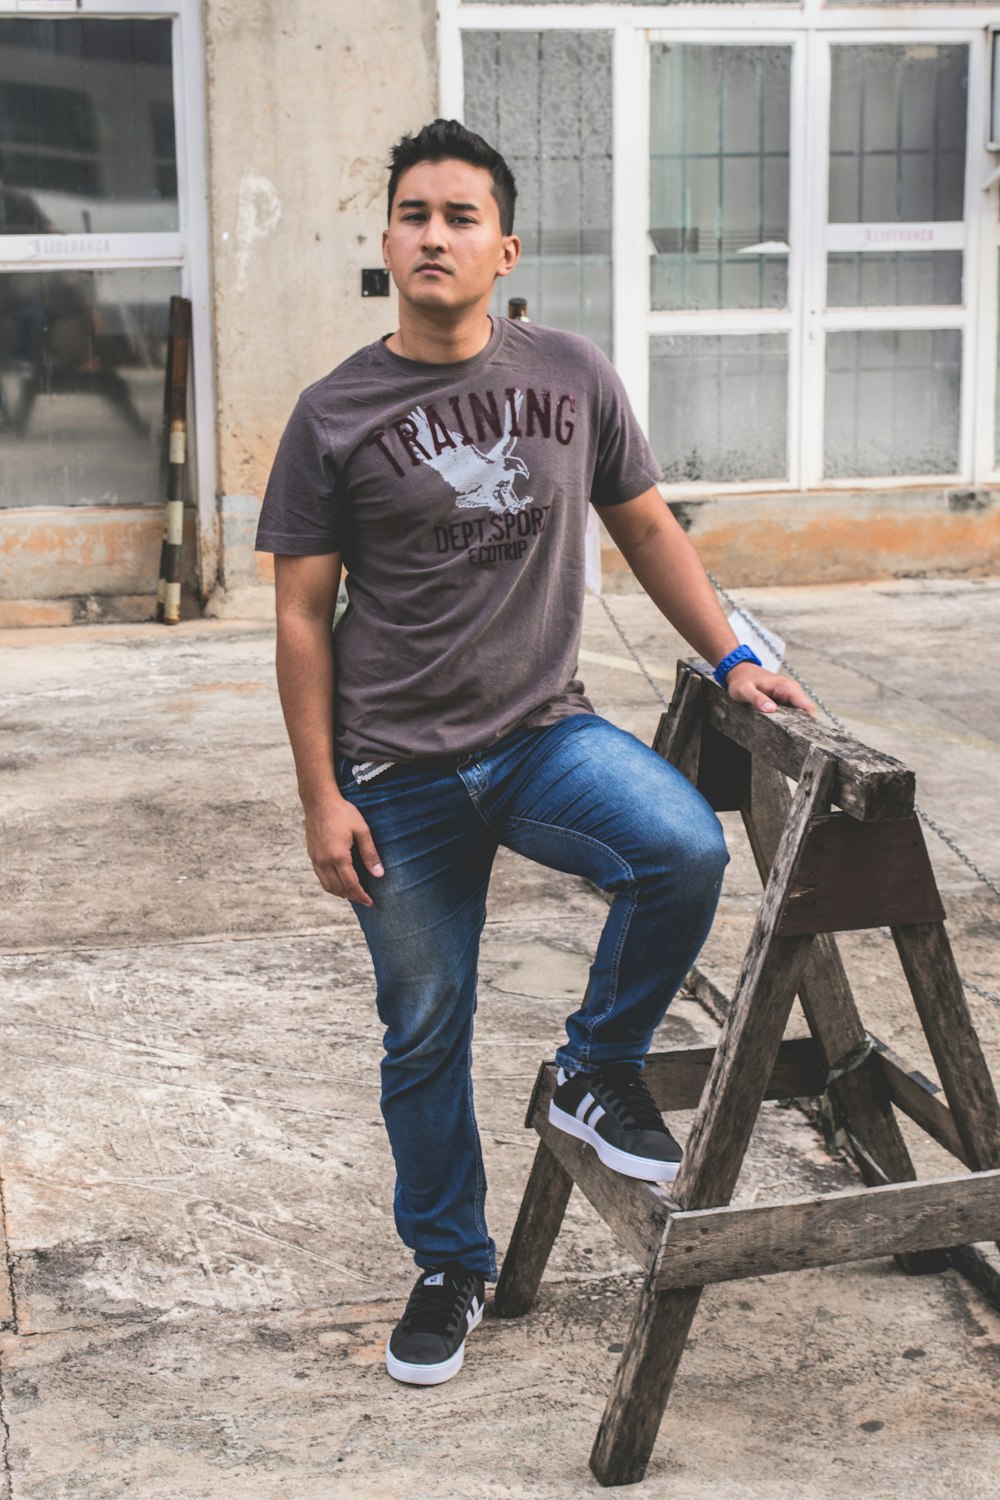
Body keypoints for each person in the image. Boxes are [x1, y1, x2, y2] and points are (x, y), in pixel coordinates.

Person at [255, 118, 813, 1391]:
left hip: (540, 736)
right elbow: (298, 615)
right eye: (413, 214)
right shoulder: (333, 412)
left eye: (460, 217)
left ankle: (592, 1067)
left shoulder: (569, 375)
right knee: (424, 1025)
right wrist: (319, 796)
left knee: (677, 846)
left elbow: (649, 529)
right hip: (394, 774)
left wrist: (732, 656)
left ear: (503, 247)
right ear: (386, 242)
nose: (434, 234)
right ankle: (450, 1261)